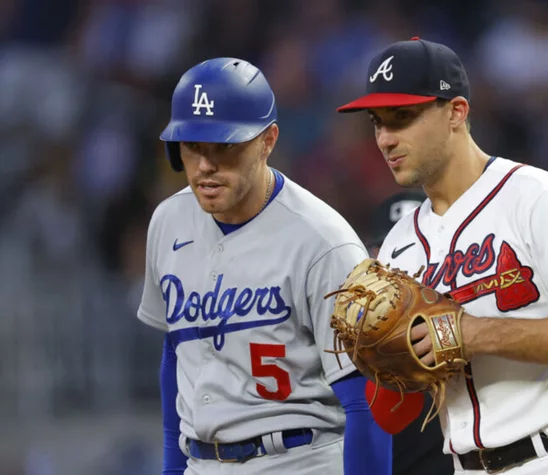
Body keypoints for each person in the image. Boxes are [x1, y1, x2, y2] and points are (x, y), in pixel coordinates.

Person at [337, 37, 548, 474]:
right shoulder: (398, 245)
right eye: (377, 122)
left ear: (456, 112)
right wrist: (379, 360)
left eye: (402, 117)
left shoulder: (538, 199)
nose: (386, 139)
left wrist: (475, 334)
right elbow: (394, 415)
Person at [137, 57, 392, 475]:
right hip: (201, 462)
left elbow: (365, 399)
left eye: (224, 147)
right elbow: (176, 353)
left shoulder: (323, 241)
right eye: (192, 147)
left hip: (298, 459)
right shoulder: (168, 221)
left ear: (267, 140)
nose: (204, 166)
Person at [369, 191, 454, 475]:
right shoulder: (357, 337)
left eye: (419, 250)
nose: (405, 269)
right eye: (393, 251)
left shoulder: (472, 316)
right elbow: (385, 419)